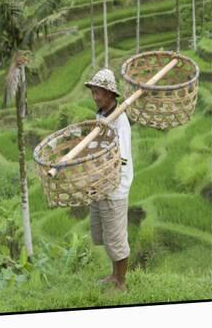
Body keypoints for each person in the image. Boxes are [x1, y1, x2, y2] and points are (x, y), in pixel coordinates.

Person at [84, 68, 133, 291]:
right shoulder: (101, 114)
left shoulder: (119, 121)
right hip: (100, 184)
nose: (95, 96)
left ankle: (121, 283)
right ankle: (114, 275)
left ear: (111, 94)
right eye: (93, 91)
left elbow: (120, 158)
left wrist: (102, 171)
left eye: (99, 92)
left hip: (114, 186)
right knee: (105, 233)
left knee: (116, 237)